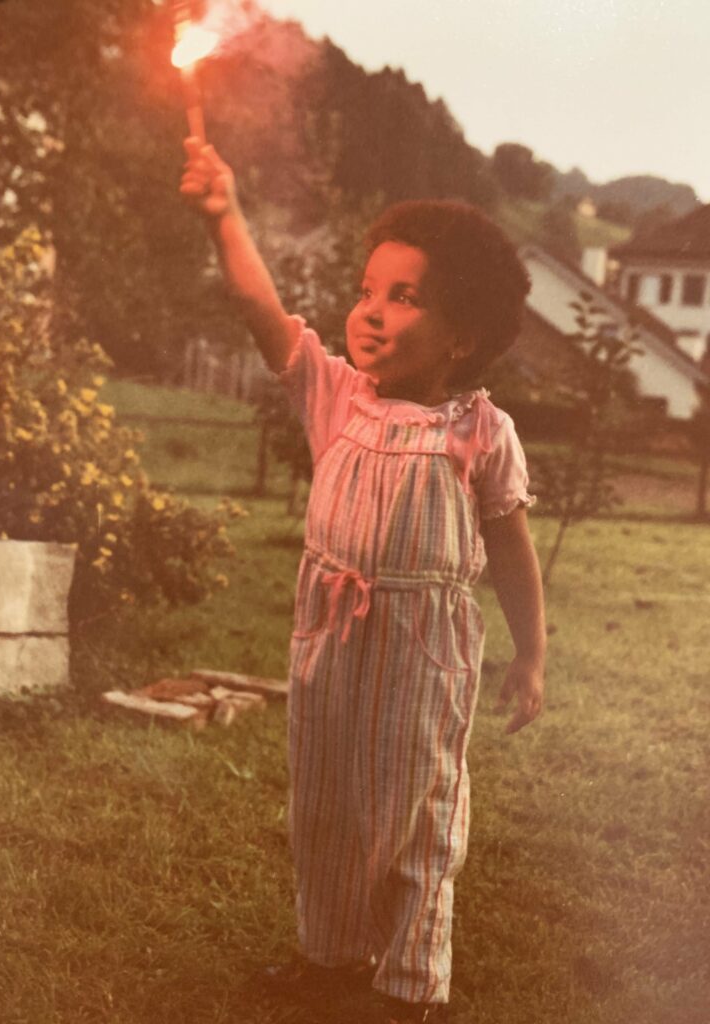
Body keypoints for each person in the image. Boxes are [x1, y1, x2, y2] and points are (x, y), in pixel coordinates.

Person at [181, 140, 546, 1024]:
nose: (370, 314)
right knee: (328, 806)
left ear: (460, 335)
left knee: (418, 809)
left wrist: (530, 658)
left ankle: (411, 982)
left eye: (403, 297)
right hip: (331, 643)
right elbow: (265, 309)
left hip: (423, 657)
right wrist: (227, 212)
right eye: (366, 291)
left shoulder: (480, 433)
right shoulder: (337, 397)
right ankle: (332, 955)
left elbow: (511, 551)